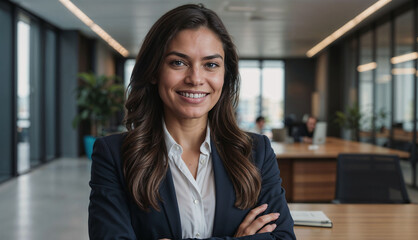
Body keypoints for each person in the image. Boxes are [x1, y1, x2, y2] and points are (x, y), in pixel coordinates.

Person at [88, 4, 295, 240]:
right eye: (178, 62)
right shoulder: (114, 155)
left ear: (225, 75)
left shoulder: (256, 152)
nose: (195, 79)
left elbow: (282, 237)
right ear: (154, 71)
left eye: (211, 65)